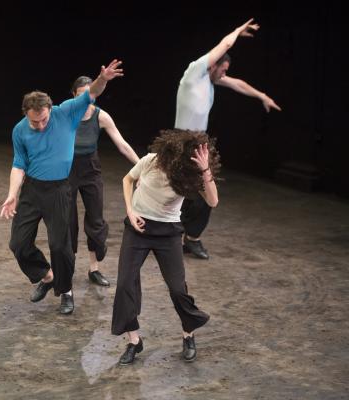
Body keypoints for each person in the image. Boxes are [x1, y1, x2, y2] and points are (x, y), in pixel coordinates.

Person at [0, 60, 123, 315]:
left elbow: (92, 93)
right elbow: (19, 164)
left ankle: (66, 291)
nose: (41, 125)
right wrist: (12, 194)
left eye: (44, 119)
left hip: (58, 190)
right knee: (18, 243)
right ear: (26, 114)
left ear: (50, 109)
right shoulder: (19, 130)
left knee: (60, 245)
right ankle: (47, 276)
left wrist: (103, 79)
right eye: (35, 122)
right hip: (32, 190)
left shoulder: (66, 112)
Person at [111, 129, 220, 365]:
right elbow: (128, 179)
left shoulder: (189, 175)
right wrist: (130, 211)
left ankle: (188, 334)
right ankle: (134, 341)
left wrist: (205, 170)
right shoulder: (151, 161)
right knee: (125, 284)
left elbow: (213, 201)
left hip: (168, 233)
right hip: (138, 228)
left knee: (178, 289)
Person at [175, 18, 281, 259]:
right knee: (180, 191)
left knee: (204, 192)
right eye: (222, 69)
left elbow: (239, 84)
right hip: (180, 141)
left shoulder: (211, 80)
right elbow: (224, 45)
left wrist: (262, 96)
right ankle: (178, 236)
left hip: (199, 143)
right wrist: (238, 30)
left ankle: (192, 238)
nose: (224, 74)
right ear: (213, 65)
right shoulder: (195, 72)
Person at [68, 76, 140, 287]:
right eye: (80, 95)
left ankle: (94, 269)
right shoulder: (66, 113)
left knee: (96, 220)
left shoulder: (101, 116)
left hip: (90, 169)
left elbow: (122, 145)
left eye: (89, 94)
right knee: (67, 221)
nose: (85, 99)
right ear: (73, 96)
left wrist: (142, 166)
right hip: (67, 170)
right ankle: (67, 267)